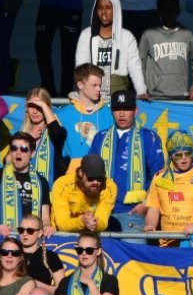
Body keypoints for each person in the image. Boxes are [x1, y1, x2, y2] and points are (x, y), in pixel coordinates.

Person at [90, 89, 164, 232]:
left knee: (131, 249)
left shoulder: (148, 137)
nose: (122, 114)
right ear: (111, 111)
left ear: (135, 111)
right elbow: (88, 174)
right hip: (101, 211)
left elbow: (158, 175)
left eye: (126, 109)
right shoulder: (100, 137)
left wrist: (146, 203)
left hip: (133, 213)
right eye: (117, 109)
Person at [75, 0, 147, 102]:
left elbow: (134, 66)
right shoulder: (86, 35)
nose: (104, 12)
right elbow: (81, 67)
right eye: (100, 8)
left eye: (108, 7)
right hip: (92, 94)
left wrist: (141, 91)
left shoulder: (126, 36)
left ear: (116, 10)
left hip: (119, 94)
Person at [0, 131, 51, 236]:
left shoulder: (42, 182)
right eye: (14, 148)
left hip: (32, 239)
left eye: (23, 149)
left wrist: (47, 227)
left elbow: (45, 217)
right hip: (2, 238)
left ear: (32, 153)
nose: (18, 152)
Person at [139, 0, 193, 100]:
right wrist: (141, 87)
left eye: (173, 10)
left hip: (180, 95)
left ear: (178, 11)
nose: (169, 14)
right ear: (159, 11)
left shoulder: (186, 34)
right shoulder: (149, 35)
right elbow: (139, 63)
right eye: (165, 10)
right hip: (154, 96)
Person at [52, 154, 117, 234]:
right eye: (91, 178)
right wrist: (82, 221)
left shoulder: (109, 187)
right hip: (62, 234)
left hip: (91, 234)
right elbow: (62, 224)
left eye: (100, 178)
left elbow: (103, 221)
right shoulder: (62, 185)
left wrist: (96, 223)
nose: (95, 182)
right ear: (80, 173)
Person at [59, 64, 112, 159]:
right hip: (73, 168)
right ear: (80, 85)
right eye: (94, 85)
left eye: (99, 85)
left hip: (102, 168)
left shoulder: (109, 114)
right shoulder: (62, 116)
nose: (99, 89)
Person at [18, 214, 64, 286]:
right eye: (21, 230)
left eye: (30, 231)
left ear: (39, 233)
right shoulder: (11, 254)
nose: (24, 234)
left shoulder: (51, 257)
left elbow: (61, 289)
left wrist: (36, 285)